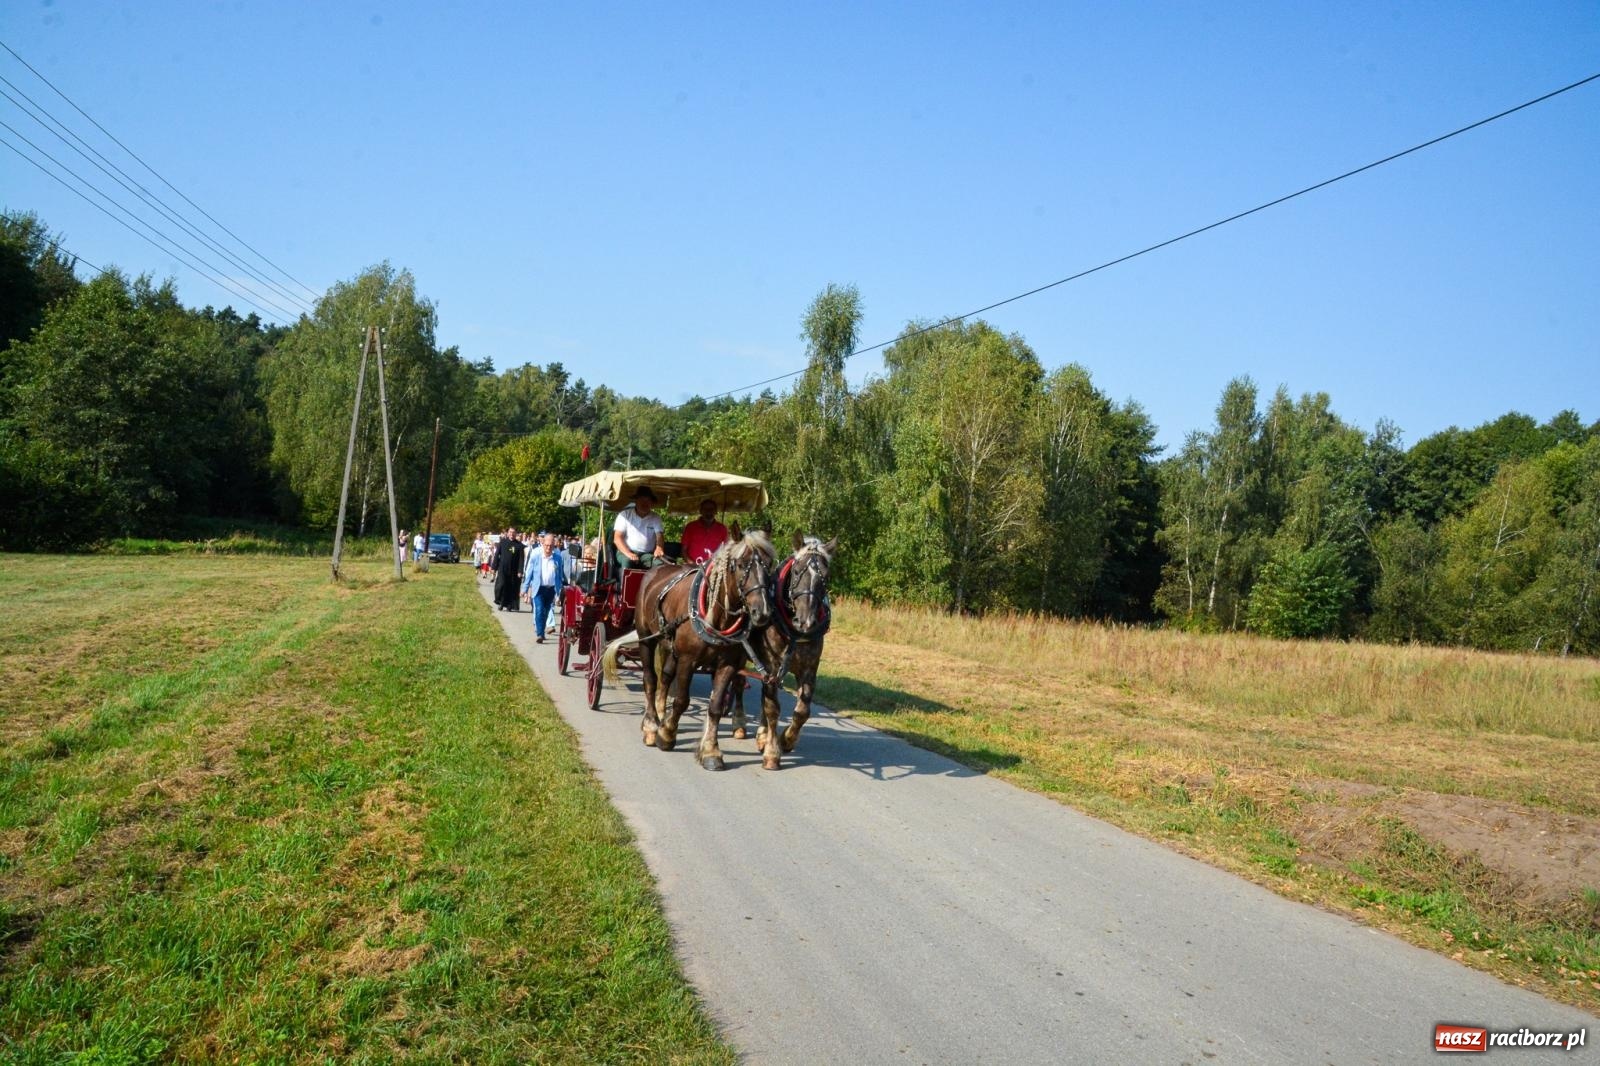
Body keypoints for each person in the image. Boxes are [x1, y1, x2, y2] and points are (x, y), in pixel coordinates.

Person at [521, 533, 566, 643]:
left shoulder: (557, 558)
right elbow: (529, 573)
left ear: (554, 545)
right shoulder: (536, 556)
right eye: (546, 545)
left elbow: (559, 576)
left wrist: (559, 592)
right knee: (540, 609)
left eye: (551, 545)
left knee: (546, 611)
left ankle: (541, 630)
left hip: (550, 589)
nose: (548, 547)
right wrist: (524, 589)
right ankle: (540, 634)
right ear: (543, 544)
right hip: (539, 588)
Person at [613, 486, 666, 572]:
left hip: (646, 554)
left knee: (659, 564)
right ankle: (624, 585)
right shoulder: (624, 515)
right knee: (628, 561)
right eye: (642, 500)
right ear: (636, 501)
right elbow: (617, 538)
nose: (645, 503)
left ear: (651, 503)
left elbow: (659, 536)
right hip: (625, 552)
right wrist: (629, 553)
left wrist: (659, 548)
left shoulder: (656, 518)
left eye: (648, 500)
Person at [681, 497, 730, 564]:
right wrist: (691, 563)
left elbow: (726, 550)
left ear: (715, 511)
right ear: (701, 511)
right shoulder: (691, 527)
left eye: (711, 509)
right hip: (693, 567)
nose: (708, 512)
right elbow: (683, 550)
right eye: (705, 509)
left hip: (714, 567)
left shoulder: (722, 529)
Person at [491, 527, 524, 611]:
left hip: (513, 570)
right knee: (501, 585)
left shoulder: (519, 545)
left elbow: (521, 559)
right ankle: (500, 601)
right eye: (510, 532)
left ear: (516, 534)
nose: (512, 534)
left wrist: (520, 571)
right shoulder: (502, 542)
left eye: (513, 532)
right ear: (508, 533)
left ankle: (508, 605)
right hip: (502, 568)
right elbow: (497, 555)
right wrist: (494, 567)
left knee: (510, 588)